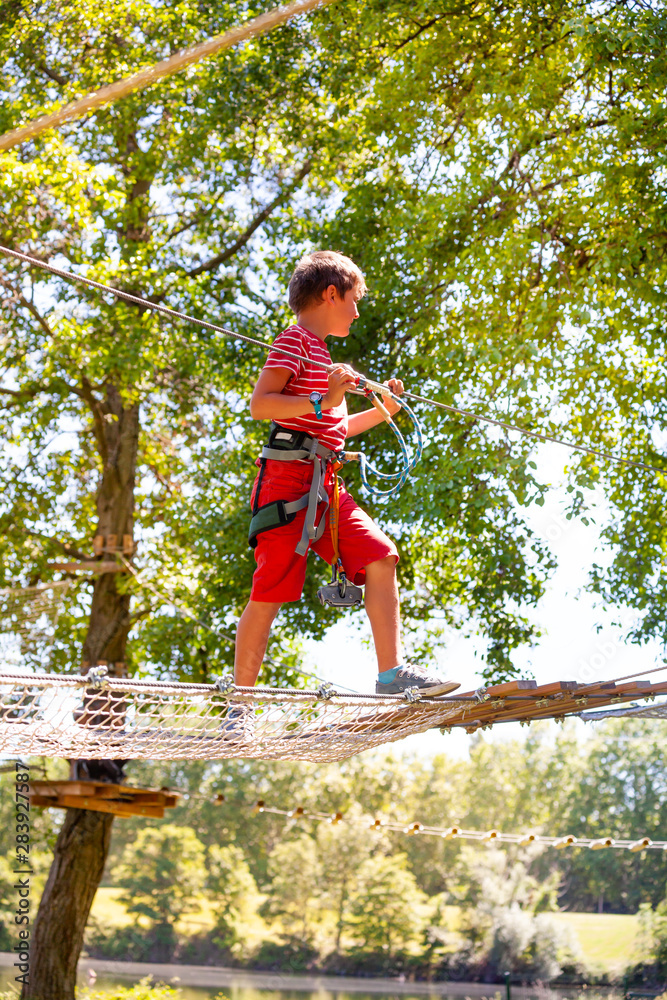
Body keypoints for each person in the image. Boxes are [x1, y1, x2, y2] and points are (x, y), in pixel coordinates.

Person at [228, 252, 458, 736]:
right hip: (288, 480)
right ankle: (239, 708)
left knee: (380, 556)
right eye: (353, 301)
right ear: (331, 294)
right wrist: (322, 397)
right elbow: (261, 403)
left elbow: (335, 427)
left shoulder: (322, 354)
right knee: (270, 590)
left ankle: (392, 675)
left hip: (325, 482)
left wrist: (386, 409)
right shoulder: (295, 341)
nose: (357, 312)